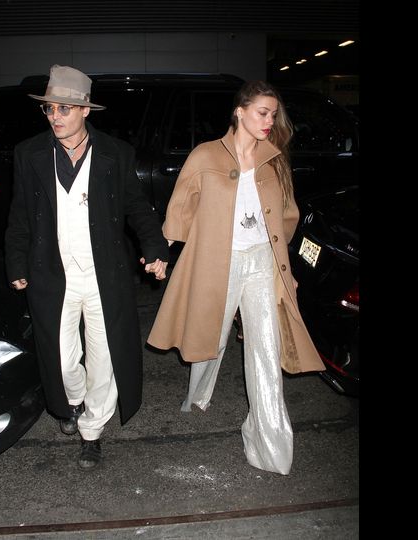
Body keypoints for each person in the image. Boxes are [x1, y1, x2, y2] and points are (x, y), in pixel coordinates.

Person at [147, 80, 325, 476]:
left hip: (262, 261)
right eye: (263, 112)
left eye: (274, 114)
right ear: (240, 111)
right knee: (211, 331)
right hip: (218, 261)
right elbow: (180, 209)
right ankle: (199, 393)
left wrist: (284, 270)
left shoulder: (274, 159)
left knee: (265, 349)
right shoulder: (205, 155)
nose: (269, 121)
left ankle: (269, 444)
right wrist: (163, 252)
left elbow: (287, 214)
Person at [5, 64, 169, 470]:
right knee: (59, 360)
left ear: (85, 111)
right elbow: (20, 215)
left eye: (63, 109)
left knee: (104, 357)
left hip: (103, 275)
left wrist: (155, 246)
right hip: (51, 272)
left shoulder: (115, 153)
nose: (55, 117)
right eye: (49, 110)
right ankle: (73, 401)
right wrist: (16, 261)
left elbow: (135, 207)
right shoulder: (30, 154)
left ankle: (92, 431)